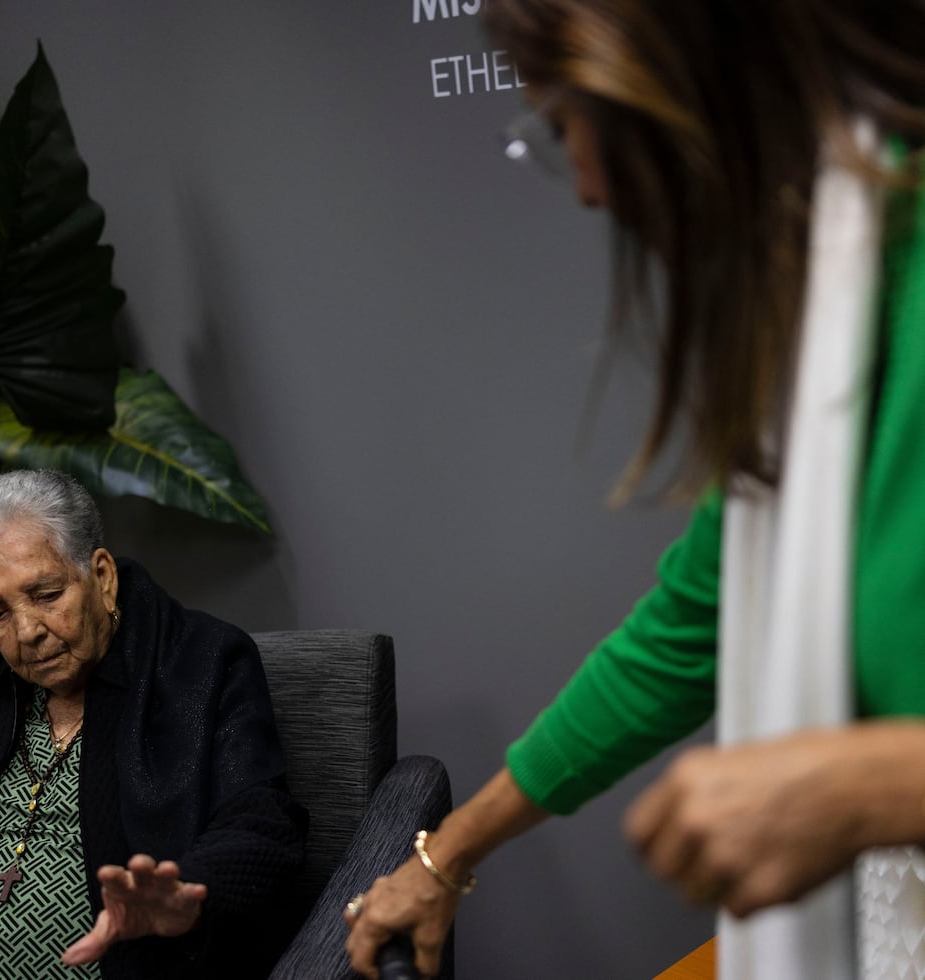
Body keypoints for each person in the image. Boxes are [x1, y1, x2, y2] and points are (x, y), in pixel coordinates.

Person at [344, 2, 925, 978]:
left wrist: (872, 785)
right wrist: (445, 855)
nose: (580, 188)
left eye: (563, 125)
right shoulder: (832, 294)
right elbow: (681, 631)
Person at [0, 468, 308, 979]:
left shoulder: (201, 662)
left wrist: (190, 892)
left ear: (102, 576)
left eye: (47, 595)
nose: (26, 632)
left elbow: (263, 822)